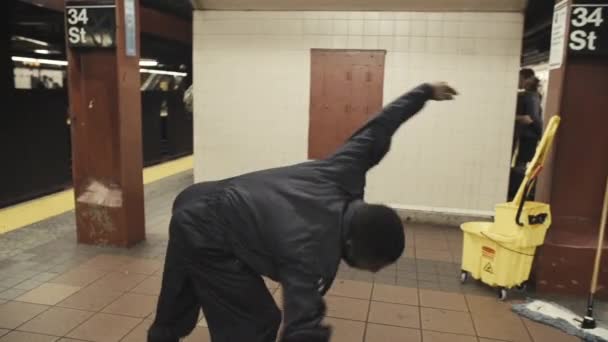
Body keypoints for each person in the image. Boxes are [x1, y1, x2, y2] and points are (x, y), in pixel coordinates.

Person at [148, 82, 458, 342]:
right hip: (206, 231)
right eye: (374, 265)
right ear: (353, 246)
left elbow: (381, 126)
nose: (374, 271)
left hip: (199, 199)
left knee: (179, 296)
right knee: (255, 324)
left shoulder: (343, 173)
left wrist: (424, 92)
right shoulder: (311, 250)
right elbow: (303, 324)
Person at [509, 69, 543, 200]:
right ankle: (521, 190)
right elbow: (535, 118)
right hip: (529, 135)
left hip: (525, 134)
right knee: (523, 162)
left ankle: (518, 190)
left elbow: (533, 117)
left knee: (521, 163)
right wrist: (541, 133)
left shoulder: (528, 96)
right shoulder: (533, 96)